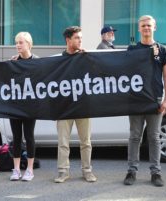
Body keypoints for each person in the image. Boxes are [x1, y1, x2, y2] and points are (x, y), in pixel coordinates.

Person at [123, 15, 166, 187]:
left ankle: (156, 173)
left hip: (155, 99)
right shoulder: (132, 49)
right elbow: (123, 73)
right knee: (134, 136)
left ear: (154, 27)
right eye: (143, 26)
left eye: (149, 25)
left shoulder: (162, 50)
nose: (146, 28)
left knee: (154, 138)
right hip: (136, 100)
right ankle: (131, 171)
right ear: (139, 28)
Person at [54, 26, 96, 183]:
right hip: (64, 107)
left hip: (83, 106)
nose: (80, 40)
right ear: (68, 40)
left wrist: (90, 60)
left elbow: (97, 77)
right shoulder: (58, 60)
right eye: (77, 37)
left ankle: (87, 171)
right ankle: (63, 172)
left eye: (81, 38)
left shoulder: (85, 58)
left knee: (86, 142)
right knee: (63, 142)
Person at [9, 32, 38, 182]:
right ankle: (16, 169)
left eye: (21, 42)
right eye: (16, 42)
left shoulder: (38, 62)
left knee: (29, 136)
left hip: (30, 107)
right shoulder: (13, 62)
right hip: (14, 106)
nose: (18, 45)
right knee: (16, 137)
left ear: (29, 44)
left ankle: (30, 170)